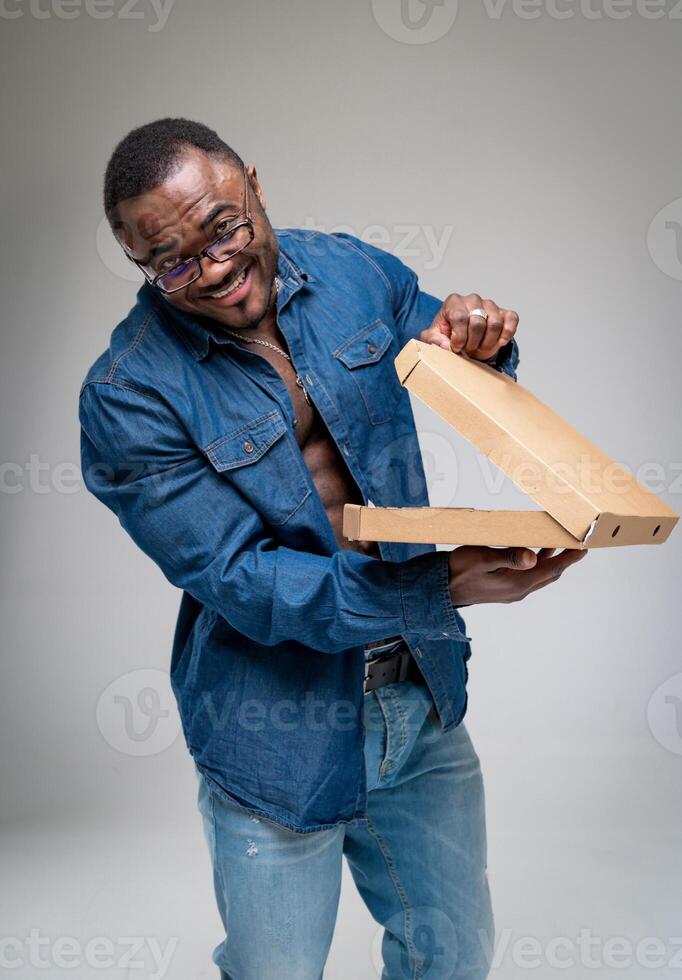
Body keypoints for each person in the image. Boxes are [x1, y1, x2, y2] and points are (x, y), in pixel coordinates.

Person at [79, 117, 586, 980]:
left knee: (453, 961)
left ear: (255, 186)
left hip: (416, 704)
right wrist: (440, 587)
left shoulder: (353, 272)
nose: (214, 269)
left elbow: (466, 365)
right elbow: (245, 581)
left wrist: (482, 340)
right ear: (139, 261)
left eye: (224, 227)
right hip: (273, 726)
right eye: (172, 261)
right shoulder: (126, 395)